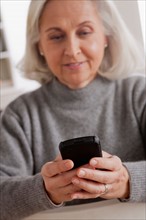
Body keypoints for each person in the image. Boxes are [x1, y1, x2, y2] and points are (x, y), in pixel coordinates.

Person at [0, 0, 145, 219]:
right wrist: (45, 190)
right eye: (56, 36)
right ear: (39, 44)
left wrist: (126, 180)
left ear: (106, 37)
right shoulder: (18, 116)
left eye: (84, 32)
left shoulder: (139, 94)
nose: (72, 50)